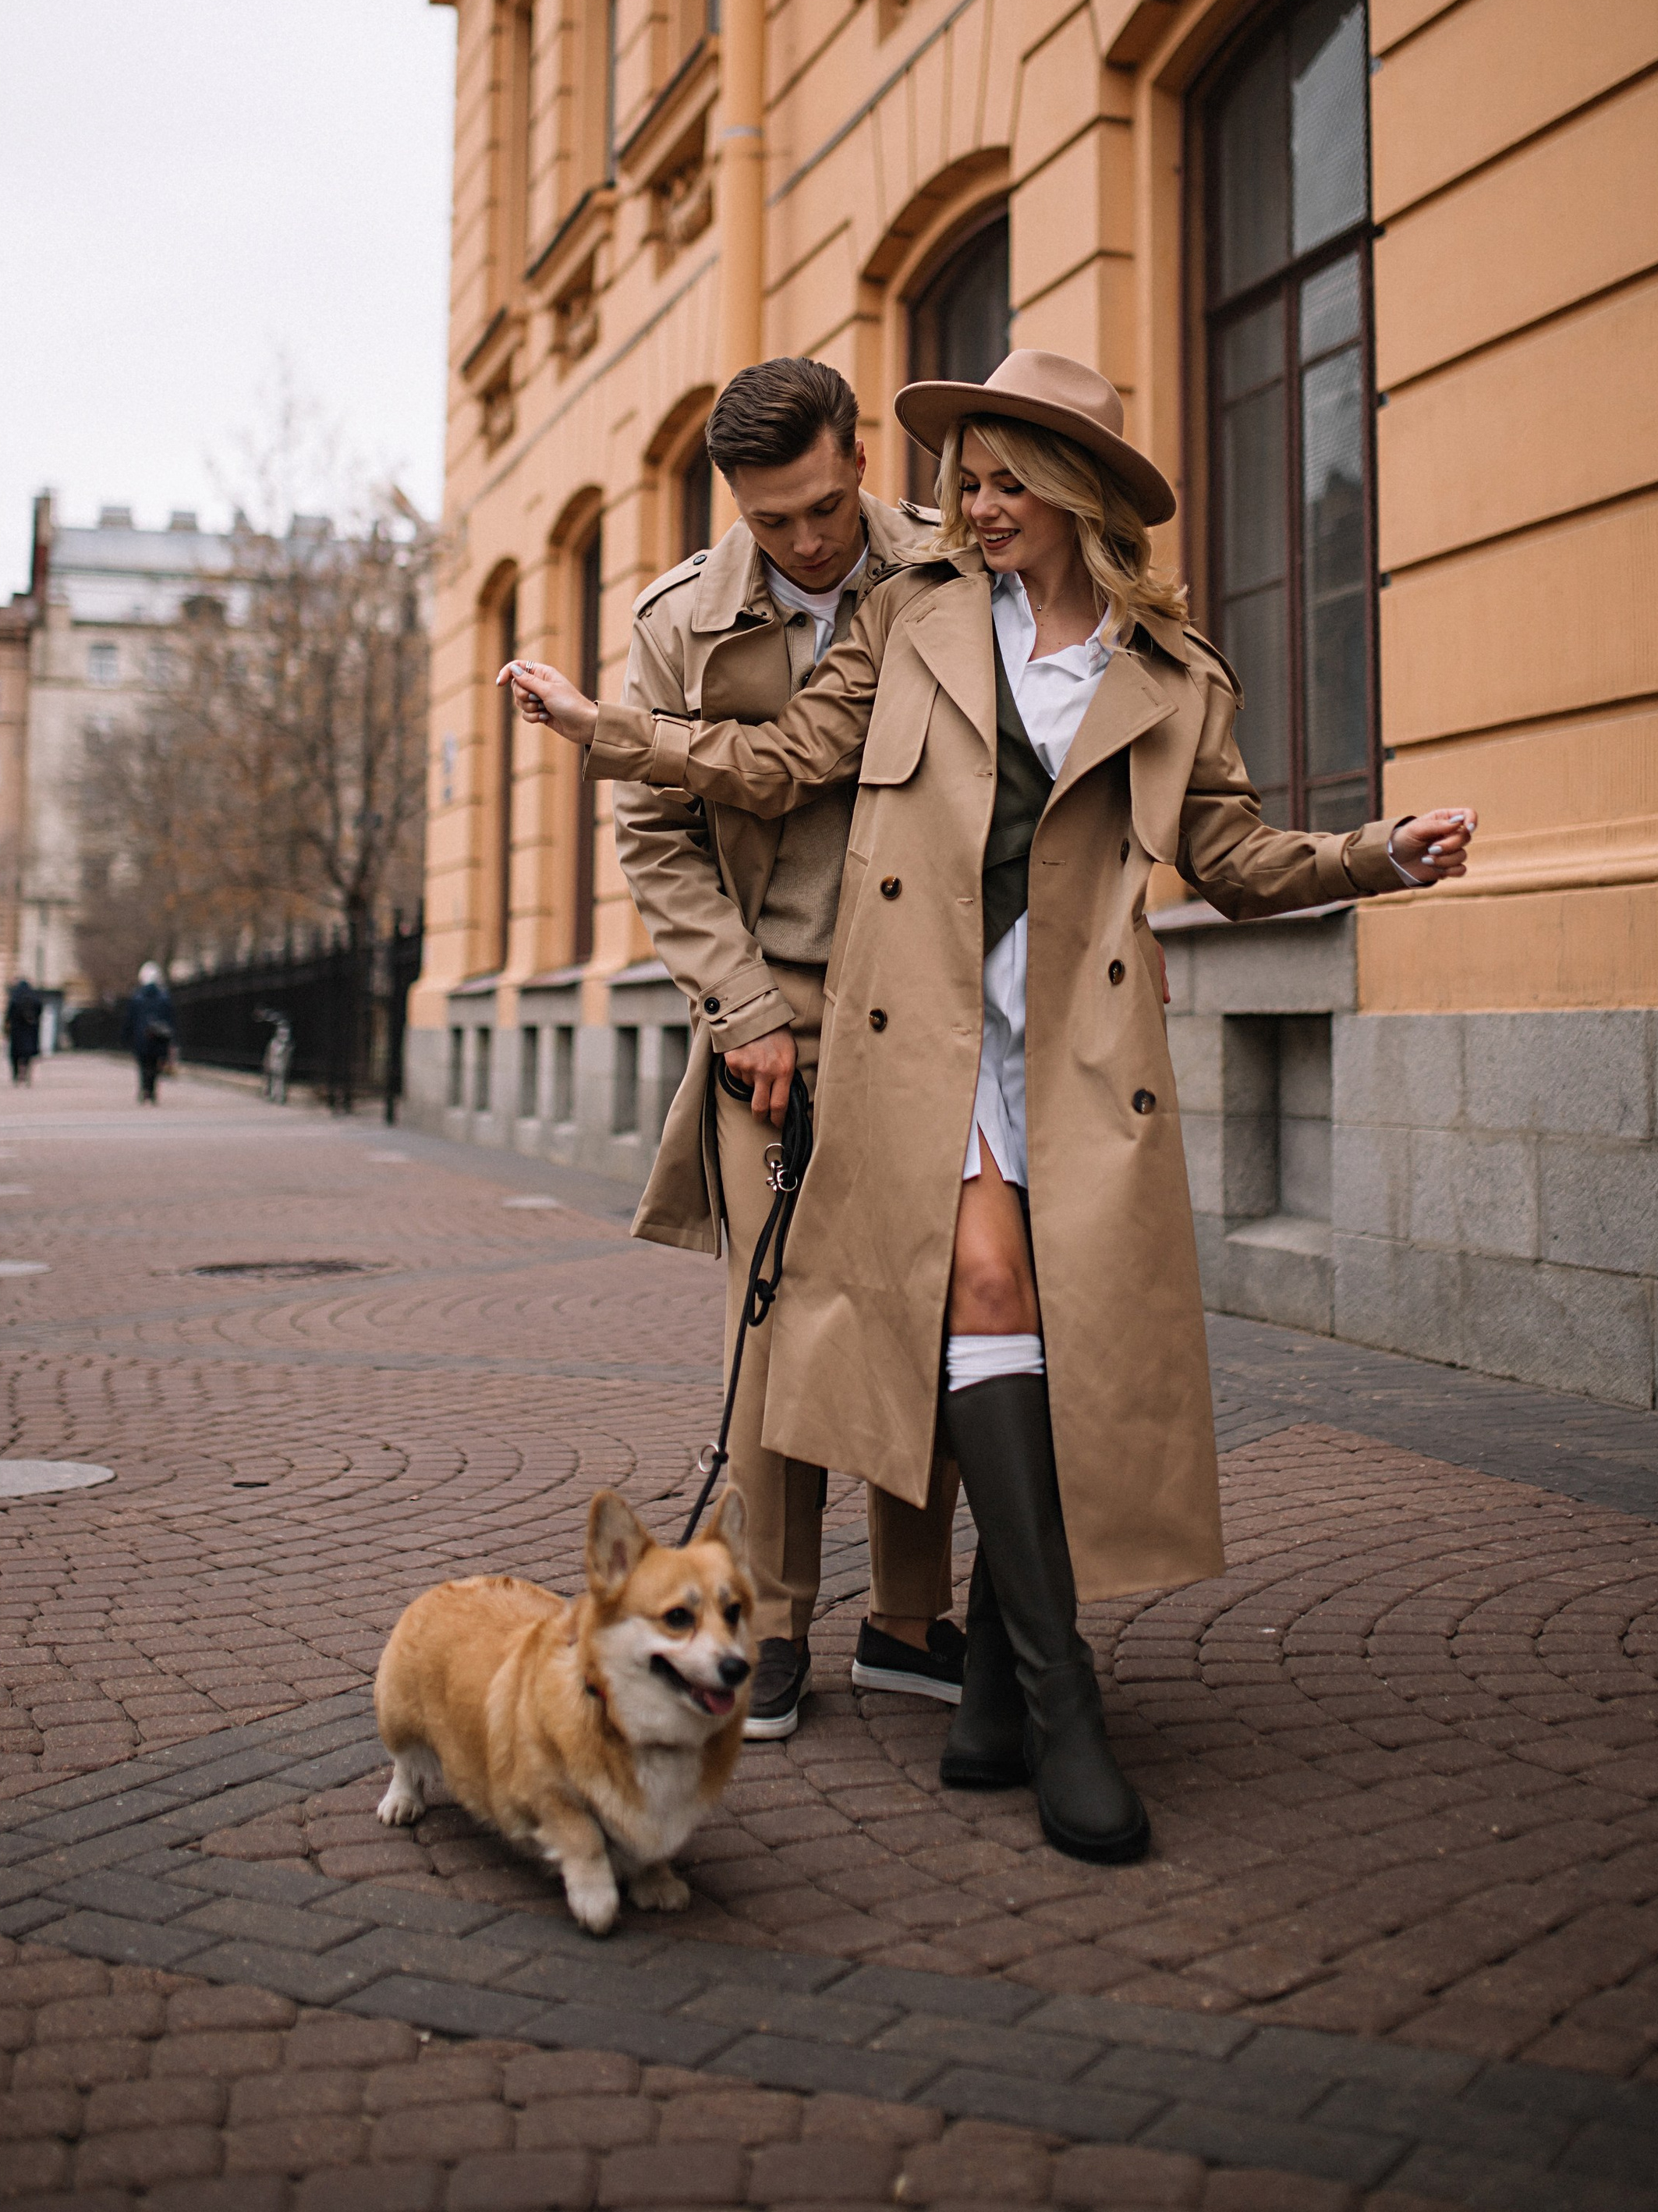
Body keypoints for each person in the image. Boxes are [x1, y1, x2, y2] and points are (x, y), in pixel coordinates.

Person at [506, 350, 1476, 1864]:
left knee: (1050, 1340)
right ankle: (1048, 1686)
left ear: (1073, 493)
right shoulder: (918, 615)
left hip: (1070, 1047)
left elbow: (1228, 857)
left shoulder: (1174, 672)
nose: (975, 506)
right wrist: (595, 728)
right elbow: (776, 764)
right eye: (966, 482)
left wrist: (1376, 855)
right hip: (911, 1032)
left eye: (1006, 482)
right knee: (958, 1291)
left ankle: (981, 1694)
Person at [606, 356, 963, 1742]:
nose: (807, 541)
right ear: (734, 504)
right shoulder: (677, 626)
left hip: (929, 996)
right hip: (779, 1009)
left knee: (921, 1307)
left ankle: (913, 1623)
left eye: (823, 507)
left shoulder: (944, 572)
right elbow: (657, 839)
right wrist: (744, 1008)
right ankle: (769, 1629)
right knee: (778, 1325)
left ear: (859, 459)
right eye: (772, 521)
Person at [122, 966, 177, 1104]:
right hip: (159, 1036)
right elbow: (170, 1019)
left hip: (141, 1036)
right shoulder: (164, 997)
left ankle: (145, 1088)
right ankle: (151, 1090)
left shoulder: (137, 998)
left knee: (143, 1064)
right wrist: (173, 1037)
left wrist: (126, 1036)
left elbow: (130, 1019)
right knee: (155, 1063)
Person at [4, 977, 43, 1085]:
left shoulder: (15, 998)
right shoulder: (34, 998)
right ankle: (27, 1073)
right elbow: (40, 1010)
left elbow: (9, 1014)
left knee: (15, 1055)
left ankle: (16, 1074)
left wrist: (7, 1028)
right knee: (28, 1054)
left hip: (17, 1031)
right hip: (31, 1030)